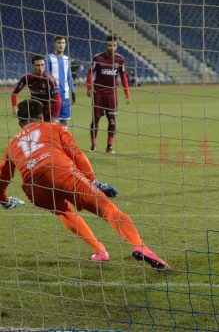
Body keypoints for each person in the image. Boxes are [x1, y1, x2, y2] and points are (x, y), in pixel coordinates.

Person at [0, 99, 169, 270]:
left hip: (34, 187)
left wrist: (4, 200)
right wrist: (92, 181)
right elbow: (77, 155)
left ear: (19, 122)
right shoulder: (54, 127)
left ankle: (100, 251)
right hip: (60, 171)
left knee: (65, 211)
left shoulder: (12, 145)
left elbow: (2, 178)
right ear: (42, 116)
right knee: (107, 208)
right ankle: (140, 246)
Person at [87, 35, 131, 154]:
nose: (112, 47)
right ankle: (93, 145)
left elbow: (124, 77)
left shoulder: (120, 59)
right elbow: (90, 73)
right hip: (99, 93)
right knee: (95, 119)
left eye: (114, 45)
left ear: (117, 46)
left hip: (112, 94)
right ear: (105, 45)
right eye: (109, 45)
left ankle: (109, 147)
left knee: (112, 121)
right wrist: (89, 88)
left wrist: (127, 93)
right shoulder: (98, 58)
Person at [11, 55, 61, 122]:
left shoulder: (50, 80)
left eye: (42, 65)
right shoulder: (27, 78)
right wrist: (14, 107)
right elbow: (14, 93)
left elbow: (58, 101)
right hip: (35, 108)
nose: (40, 68)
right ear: (32, 66)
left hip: (48, 109)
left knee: (47, 130)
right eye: (37, 65)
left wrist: (54, 117)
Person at [46, 36, 76, 128]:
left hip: (65, 95)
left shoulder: (67, 59)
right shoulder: (49, 58)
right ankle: (54, 141)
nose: (61, 45)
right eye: (59, 43)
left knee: (64, 120)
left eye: (63, 43)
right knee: (53, 121)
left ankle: (64, 141)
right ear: (55, 44)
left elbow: (69, 77)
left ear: (65, 44)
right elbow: (46, 76)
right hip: (54, 94)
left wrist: (73, 92)